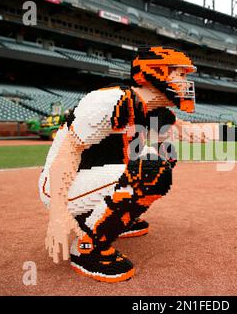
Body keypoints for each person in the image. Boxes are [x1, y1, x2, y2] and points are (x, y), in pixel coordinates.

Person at [38, 46, 197, 282]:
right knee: (151, 170)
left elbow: (193, 132)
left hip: (91, 178)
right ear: (155, 72)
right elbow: (66, 155)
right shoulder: (109, 100)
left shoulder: (151, 109)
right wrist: (58, 214)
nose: (186, 82)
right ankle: (87, 247)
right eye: (181, 74)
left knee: (166, 154)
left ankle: (110, 218)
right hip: (62, 185)